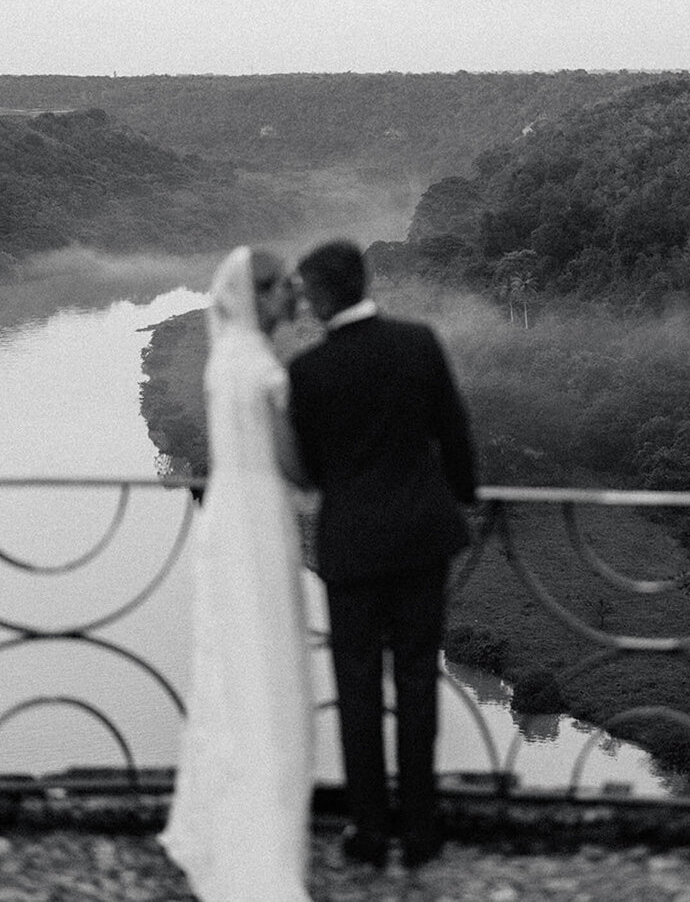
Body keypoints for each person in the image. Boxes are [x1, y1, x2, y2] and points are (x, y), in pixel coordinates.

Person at [287, 239, 477, 871]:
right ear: (364, 283)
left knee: (359, 690)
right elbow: (454, 433)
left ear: (318, 296)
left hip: (353, 549)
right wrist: (467, 499)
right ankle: (420, 830)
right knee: (419, 680)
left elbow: (311, 469)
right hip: (424, 537)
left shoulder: (307, 371)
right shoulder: (418, 341)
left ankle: (369, 831)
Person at [159, 246, 314, 902]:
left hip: (224, 516)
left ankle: (220, 813)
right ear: (262, 294)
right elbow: (296, 467)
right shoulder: (263, 369)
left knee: (228, 657)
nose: (294, 299)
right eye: (285, 289)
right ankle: (261, 836)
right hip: (259, 520)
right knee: (266, 658)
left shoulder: (224, 359)